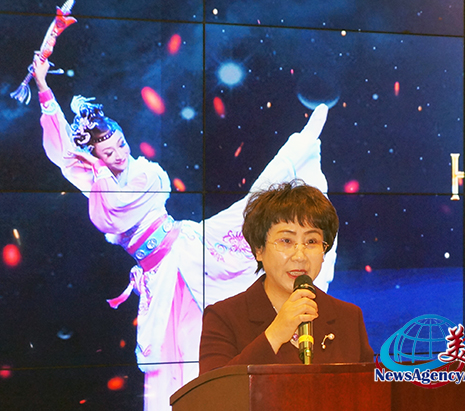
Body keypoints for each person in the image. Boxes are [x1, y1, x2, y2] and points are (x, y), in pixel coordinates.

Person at [32, 56, 337, 410]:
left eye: (121, 144)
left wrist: (96, 167)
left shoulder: (139, 175)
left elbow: (120, 204)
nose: (119, 154)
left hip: (186, 253)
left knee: (255, 212)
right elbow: (64, 156)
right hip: (158, 277)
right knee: (171, 358)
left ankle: (301, 148)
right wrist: (43, 88)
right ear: (96, 154)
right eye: (109, 151)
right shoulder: (97, 184)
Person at [199, 181, 373, 374]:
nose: (300, 256)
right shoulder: (224, 318)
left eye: (311, 241)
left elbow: (369, 390)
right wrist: (275, 333)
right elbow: (213, 390)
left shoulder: (348, 318)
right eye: (286, 241)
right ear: (259, 249)